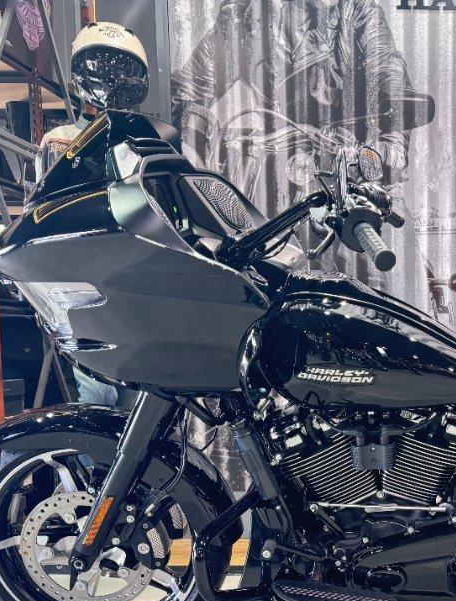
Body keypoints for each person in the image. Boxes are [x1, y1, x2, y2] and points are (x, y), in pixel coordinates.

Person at [170, 0, 429, 216]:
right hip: (272, 166)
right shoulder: (245, 13)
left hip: (349, 167)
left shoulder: (358, 12)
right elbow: (190, 88)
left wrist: (385, 151)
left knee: (381, 245)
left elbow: (388, 74)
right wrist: (187, 150)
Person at [35, 21, 150, 406]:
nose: (112, 79)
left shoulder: (147, 140)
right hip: (83, 279)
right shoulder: (62, 141)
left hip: (134, 277)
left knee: (144, 397)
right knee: (96, 390)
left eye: (122, 69)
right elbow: (45, 213)